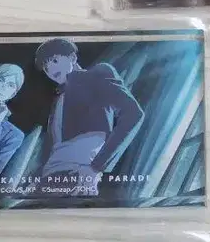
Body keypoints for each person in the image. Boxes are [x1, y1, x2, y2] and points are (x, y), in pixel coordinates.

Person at [35, 38, 144, 195]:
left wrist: (97, 167)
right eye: (46, 68)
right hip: (49, 178)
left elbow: (133, 113)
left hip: (77, 173)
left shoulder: (97, 74)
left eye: (55, 61)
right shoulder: (59, 99)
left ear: (73, 57)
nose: (51, 69)